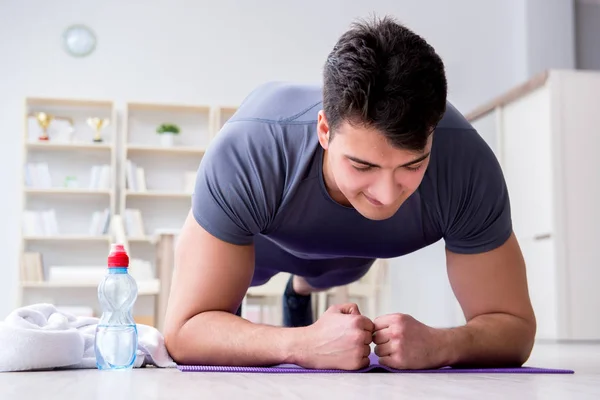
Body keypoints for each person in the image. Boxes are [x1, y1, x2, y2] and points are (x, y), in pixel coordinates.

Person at [163, 15, 536, 371]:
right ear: (324, 131)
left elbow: (514, 328)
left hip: (352, 256)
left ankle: (299, 291)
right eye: (363, 166)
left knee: (322, 273)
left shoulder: (468, 165)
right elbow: (185, 332)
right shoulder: (250, 151)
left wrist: (443, 344)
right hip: (261, 243)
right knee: (228, 311)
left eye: (412, 165)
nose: (387, 195)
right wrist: (302, 344)